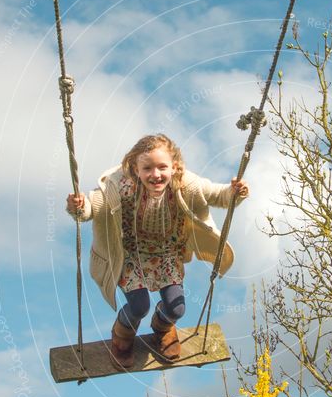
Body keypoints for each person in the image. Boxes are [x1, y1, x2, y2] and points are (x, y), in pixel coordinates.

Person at [66, 134, 249, 370]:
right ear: (136, 169)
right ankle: (122, 334)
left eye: (162, 167)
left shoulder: (187, 184)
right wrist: (79, 207)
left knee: (177, 308)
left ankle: (162, 327)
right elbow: (91, 208)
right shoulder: (118, 187)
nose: (156, 174)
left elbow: (218, 195)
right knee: (139, 306)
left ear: (174, 167)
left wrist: (235, 192)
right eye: (147, 168)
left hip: (166, 254)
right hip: (132, 255)